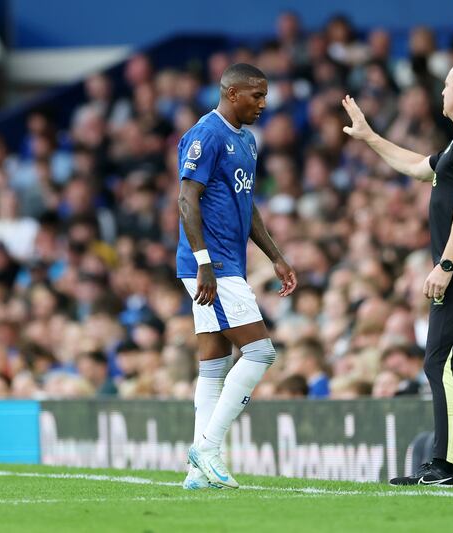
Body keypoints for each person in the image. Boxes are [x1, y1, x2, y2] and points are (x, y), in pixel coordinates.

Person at [343, 59, 453, 488]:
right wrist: (371, 137)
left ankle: (444, 464)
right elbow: (417, 167)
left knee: (439, 362)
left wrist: (446, 264)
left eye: (448, 85)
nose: (442, 92)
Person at [178, 63, 297, 490]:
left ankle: (197, 472)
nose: (263, 104)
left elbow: (247, 207)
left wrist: (276, 257)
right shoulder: (206, 134)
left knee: (213, 364)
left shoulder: (246, 140)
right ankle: (208, 448)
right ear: (232, 93)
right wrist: (204, 260)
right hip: (214, 266)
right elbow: (187, 199)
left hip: (226, 262)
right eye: (256, 96)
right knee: (261, 352)